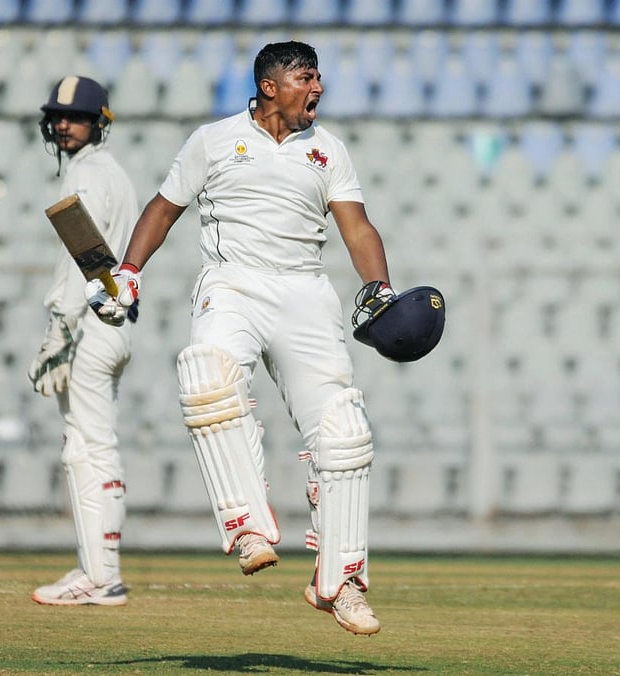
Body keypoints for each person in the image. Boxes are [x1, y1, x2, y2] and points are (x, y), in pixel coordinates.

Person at [89, 41, 392, 634]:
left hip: (306, 292)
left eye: (320, 78)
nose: (319, 89)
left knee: (344, 432)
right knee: (207, 373)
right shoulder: (214, 139)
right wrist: (128, 272)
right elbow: (163, 207)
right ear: (271, 85)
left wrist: (379, 286)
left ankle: (344, 580)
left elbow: (356, 226)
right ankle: (246, 524)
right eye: (308, 78)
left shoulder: (328, 149)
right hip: (232, 284)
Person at [27, 75, 139, 606]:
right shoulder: (109, 172)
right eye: (60, 117)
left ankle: (98, 577)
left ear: (100, 123)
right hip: (114, 325)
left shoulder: (91, 175)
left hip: (91, 326)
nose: (65, 125)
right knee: (99, 445)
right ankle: (104, 569)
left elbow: (84, 255)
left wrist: (60, 330)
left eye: (77, 117)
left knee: (83, 448)